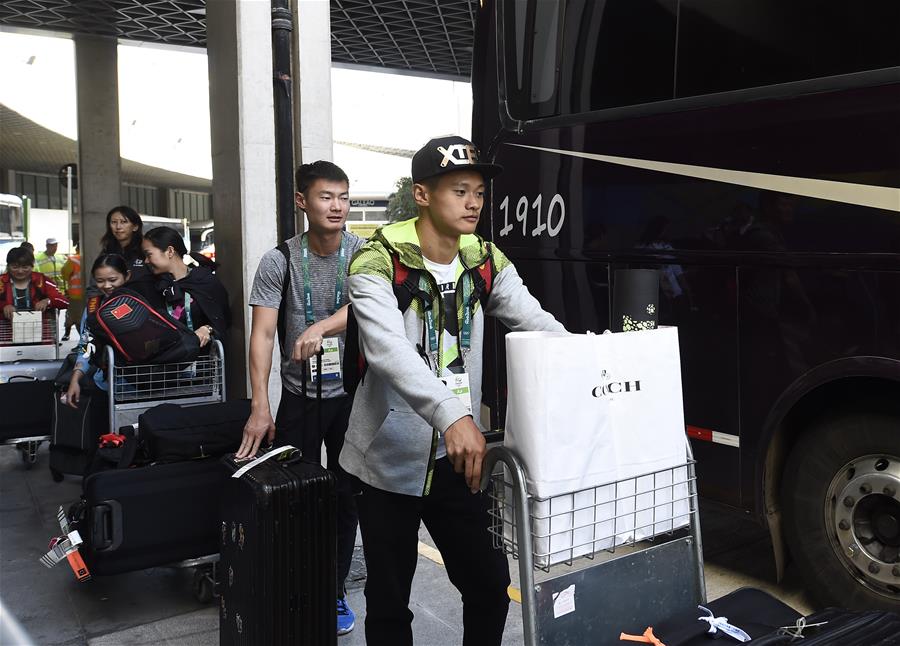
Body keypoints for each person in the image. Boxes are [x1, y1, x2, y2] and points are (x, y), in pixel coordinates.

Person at [339, 135, 566, 646]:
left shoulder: (484, 259)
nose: (473, 204)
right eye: (459, 190)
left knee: (488, 587)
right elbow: (386, 350)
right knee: (390, 601)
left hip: (458, 458)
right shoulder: (376, 259)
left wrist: (594, 365)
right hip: (385, 460)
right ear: (422, 194)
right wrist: (452, 413)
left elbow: (535, 322)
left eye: (479, 193)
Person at [236, 160, 364, 636]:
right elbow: (263, 334)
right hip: (299, 395)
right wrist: (259, 405)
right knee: (295, 496)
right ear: (301, 201)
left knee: (347, 495)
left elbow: (370, 304)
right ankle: (296, 583)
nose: (337, 206)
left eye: (344, 197)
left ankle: (332, 591)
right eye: (326, 196)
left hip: (350, 395)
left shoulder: (362, 253)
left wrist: (320, 325)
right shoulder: (280, 260)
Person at [139, 226, 230, 347]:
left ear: (170, 251)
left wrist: (207, 329)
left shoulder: (205, 281)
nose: (146, 261)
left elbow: (222, 319)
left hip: (203, 362)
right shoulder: (150, 286)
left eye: (148, 254)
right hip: (165, 361)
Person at [64, 254, 131, 408]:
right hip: (106, 384)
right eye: (100, 281)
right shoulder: (94, 306)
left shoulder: (139, 302)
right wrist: (75, 379)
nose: (107, 286)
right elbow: (86, 345)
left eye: (113, 280)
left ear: (127, 276)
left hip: (141, 383)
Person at [1, 246, 68, 321]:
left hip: (39, 330)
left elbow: (64, 302)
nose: (20, 271)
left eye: (25, 267)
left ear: (32, 266)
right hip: (5, 330)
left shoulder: (43, 281)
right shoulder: (1, 281)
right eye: (15, 267)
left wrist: (47, 301)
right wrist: (4, 306)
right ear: (8, 266)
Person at [100, 205, 147, 279]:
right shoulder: (106, 252)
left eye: (124, 222)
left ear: (135, 227)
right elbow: (94, 285)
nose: (118, 227)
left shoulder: (145, 250)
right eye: (114, 222)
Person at [59, 243, 83, 341]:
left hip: (76, 295)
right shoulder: (92, 256)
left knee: (75, 318)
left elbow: (64, 273)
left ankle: (83, 342)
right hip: (91, 294)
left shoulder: (73, 260)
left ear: (77, 248)